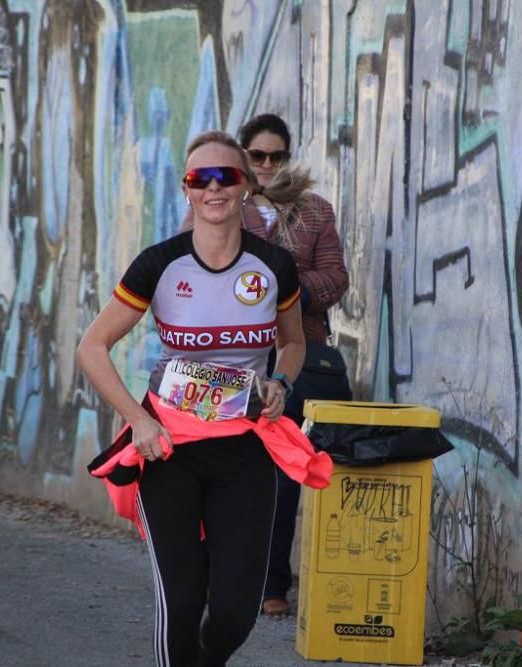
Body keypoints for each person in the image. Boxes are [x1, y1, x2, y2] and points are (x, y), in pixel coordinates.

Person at [77, 130, 332, 666]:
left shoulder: (272, 267)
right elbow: (93, 347)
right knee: (183, 598)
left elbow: (292, 341)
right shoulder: (160, 264)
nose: (214, 188)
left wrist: (280, 384)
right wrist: (137, 422)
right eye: (200, 179)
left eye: (227, 176)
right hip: (168, 447)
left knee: (237, 612)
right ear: (187, 191)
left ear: (245, 188)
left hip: (245, 448)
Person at [237, 113, 350, 617]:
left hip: (295, 349)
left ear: (287, 156)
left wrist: (282, 284)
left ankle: (273, 586)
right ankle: (227, 574)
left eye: (275, 155)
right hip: (233, 355)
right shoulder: (220, 205)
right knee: (232, 470)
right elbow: (187, 263)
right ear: (243, 155)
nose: (266, 165)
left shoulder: (315, 212)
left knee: (284, 473)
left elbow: (335, 281)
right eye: (257, 155)